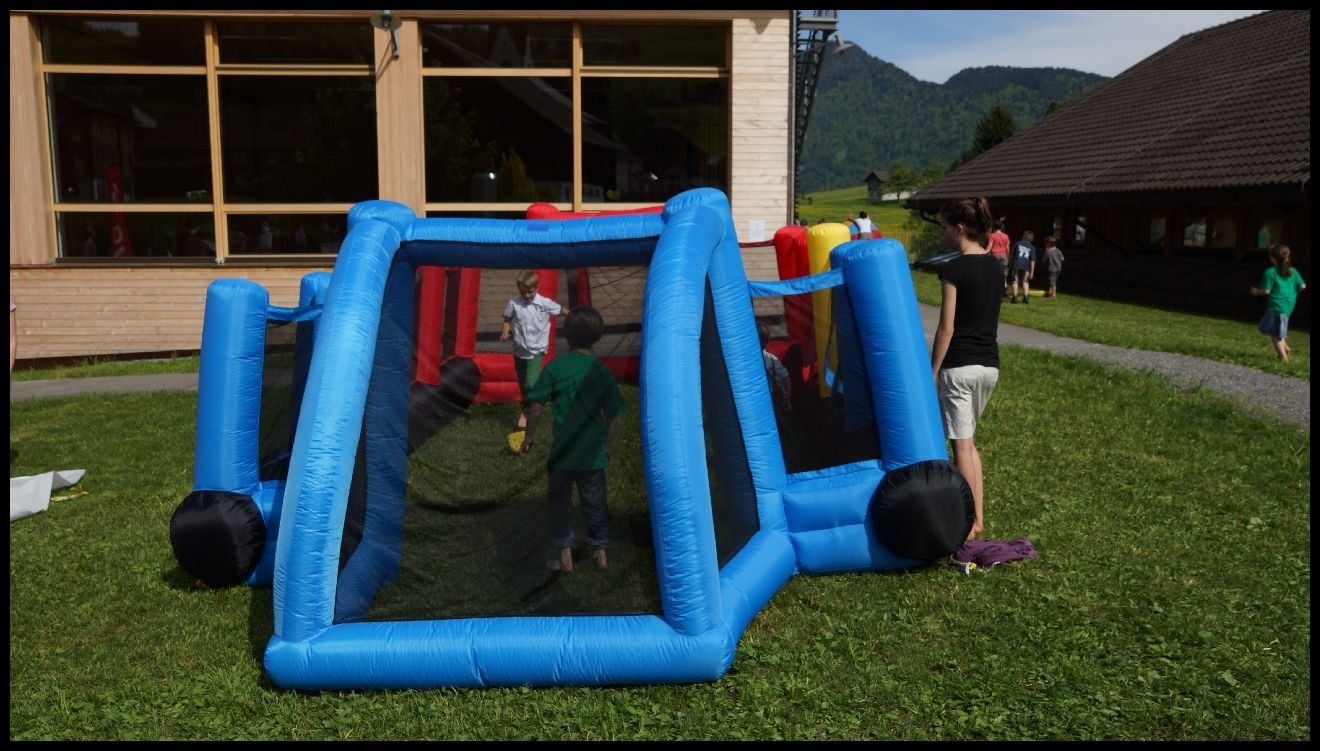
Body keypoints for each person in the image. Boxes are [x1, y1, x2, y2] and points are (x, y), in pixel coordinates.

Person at [520, 307, 626, 573]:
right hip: (592, 456)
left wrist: (529, 435)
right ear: (597, 336)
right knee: (594, 501)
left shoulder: (556, 367)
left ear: (566, 335)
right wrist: (605, 446)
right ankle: (600, 552)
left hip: (563, 455)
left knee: (559, 502)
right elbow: (613, 414)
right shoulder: (601, 371)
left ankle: (565, 555)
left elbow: (536, 405)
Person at [930, 197, 1003, 542]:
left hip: (959, 368)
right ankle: (979, 518)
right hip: (989, 367)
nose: (942, 233)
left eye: (944, 227)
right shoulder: (996, 267)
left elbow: (946, 328)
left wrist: (932, 370)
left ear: (959, 229)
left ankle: (968, 523)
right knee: (969, 444)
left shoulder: (953, 270)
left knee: (961, 447)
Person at [501, 270, 565, 429]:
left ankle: (528, 411)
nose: (526, 295)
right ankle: (527, 407)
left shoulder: (545, 303)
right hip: (519, 350)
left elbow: (563, 311)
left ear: (537, 288)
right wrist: (505, 331)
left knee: (530, 383)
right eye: (523, 292)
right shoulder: (514, 303)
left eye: (530, 292)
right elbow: (507, 319)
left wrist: (578, 317)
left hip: (536, 350)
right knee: (523, 384)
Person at [1250, 244, 1307, 363]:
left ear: (1272, 258)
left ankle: (1283, 358)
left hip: (1277, 305)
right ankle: (1285, 348)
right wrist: (1293, 293)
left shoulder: (1270, 272)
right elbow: (1303, 286)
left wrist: (1255, 291)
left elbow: (1266, 291)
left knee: (1274, 333)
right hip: (1289, 304)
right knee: (1278, 327)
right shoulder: (1293, 271)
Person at [758, 321, 791, 412]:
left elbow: (785, 377)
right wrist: (787, 397)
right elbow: (785, 377)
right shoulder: (771, 359)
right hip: (768, 396)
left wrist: (787, 397)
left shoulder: (771, 359)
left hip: (769, 397)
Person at [1009, 229, 1036, 304]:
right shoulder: (1032, 247)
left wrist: (1010, 264)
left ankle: (1015, 297)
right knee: (1025, 281)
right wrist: (1032, 272)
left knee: (1015, 280)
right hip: (1026, 266)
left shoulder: (1017, 243)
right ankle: (1026, 297)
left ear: (1024, 236)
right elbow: (1032, 261)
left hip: (1016, 264)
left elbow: (1011, 255)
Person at [987, 218, 1011, 298]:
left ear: (994, 227)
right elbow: (1007, 248)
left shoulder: (992, 235)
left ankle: (995, 290)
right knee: (1003, 274)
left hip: (995, 256)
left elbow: (989, 246)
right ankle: (1005, 289)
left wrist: (984, 254)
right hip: (1004, 256)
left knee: (994, 274)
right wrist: (1008, 257)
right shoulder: (1006, 236)